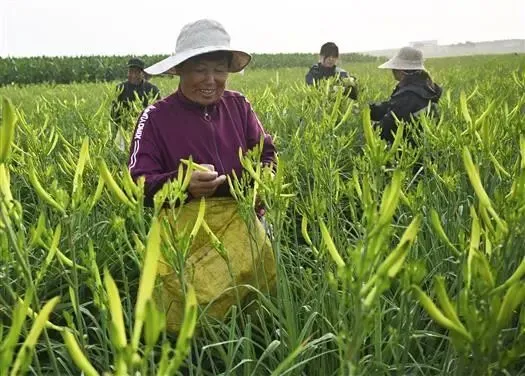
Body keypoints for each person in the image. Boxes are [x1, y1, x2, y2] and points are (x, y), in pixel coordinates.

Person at [128, 19, 277, 333]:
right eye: (200, 70)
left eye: (219, 70)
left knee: (253, 312)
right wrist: (182, 182)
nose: (211, 80)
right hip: (185, 234)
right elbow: (138, 180)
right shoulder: (154, 118)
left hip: (245, 223)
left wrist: (259, 178)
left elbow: (266, 152)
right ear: (180, 70)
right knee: (189, 321)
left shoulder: (239, 106)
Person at [369, 46, 442, 148]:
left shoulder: (408, 95)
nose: (392, 71)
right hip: (422, 147)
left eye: (394, 68)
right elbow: (395, 108)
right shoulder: (425, 88)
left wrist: (367, 125)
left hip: (408, 151)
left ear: (401, 71)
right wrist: (368, 109)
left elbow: (386, 129)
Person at [110, 58, 161, 131]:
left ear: (143, 73)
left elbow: (158, 114)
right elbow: (114, 113)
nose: (133, 75)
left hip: (146, 131)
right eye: (131, 71)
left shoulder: (152, 90)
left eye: (137, 72)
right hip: (125, 130)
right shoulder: (120, 88)